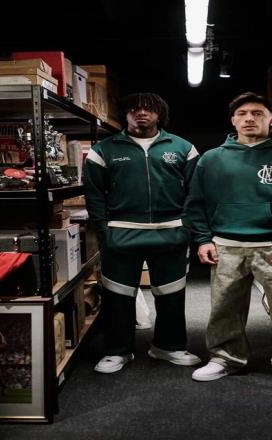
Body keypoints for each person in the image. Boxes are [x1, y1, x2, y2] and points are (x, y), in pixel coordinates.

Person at [183, 92, 272, 393]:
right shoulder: (212, 159)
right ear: (233, 120)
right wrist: (203, 239)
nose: (249, 118)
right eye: (242, 113)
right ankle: (225, 358)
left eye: (258, 113)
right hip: (225, 245)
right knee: (224, 307)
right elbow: (195, 203)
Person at [84, 92, 201, 373]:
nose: (142, 113)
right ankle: (117, 351)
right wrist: (104, 231)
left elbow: (196, 192)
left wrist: (186, 227)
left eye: (149, 109)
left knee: (172, 295)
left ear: (160, 114)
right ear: (125, 115)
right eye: (134, 109)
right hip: (121, 234)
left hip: (170, 233)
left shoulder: (183, 148)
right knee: (118, 296)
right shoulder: (103, 150)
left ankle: (169, 347)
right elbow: (94, 194)